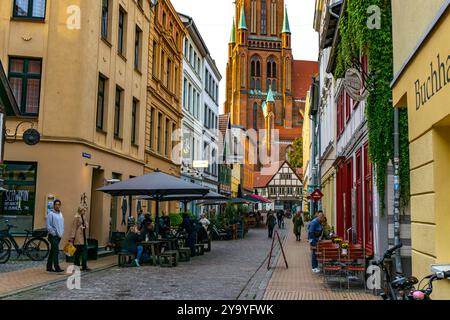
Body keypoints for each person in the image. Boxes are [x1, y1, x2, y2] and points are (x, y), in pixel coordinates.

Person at [69, 206, 91, 271]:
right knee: (77, 253)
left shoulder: (84, 217)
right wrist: (72, 237)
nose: (84, 212)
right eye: (83, 210)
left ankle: (84, 266)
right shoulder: (76, 217)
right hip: (78, 237)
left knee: (84, 251)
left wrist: (84, 226)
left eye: (84, 210)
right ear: (80, 210)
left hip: (83, 236)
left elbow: (86, 224)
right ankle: (77, 266)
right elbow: (74, 227)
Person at [46, 199, 65, 273]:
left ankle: (49, 267)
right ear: (54, 205)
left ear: (60, 205)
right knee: (56, 251)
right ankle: (57, 267)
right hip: (53, 236)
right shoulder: (51, 214)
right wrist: (54, 233)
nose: (57, 206)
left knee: (52, 251)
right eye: (56, 204)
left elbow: (62, 224)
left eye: (58, 204)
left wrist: (61, 232)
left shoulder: (60, 214)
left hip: (59, 236)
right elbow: (48, 225)